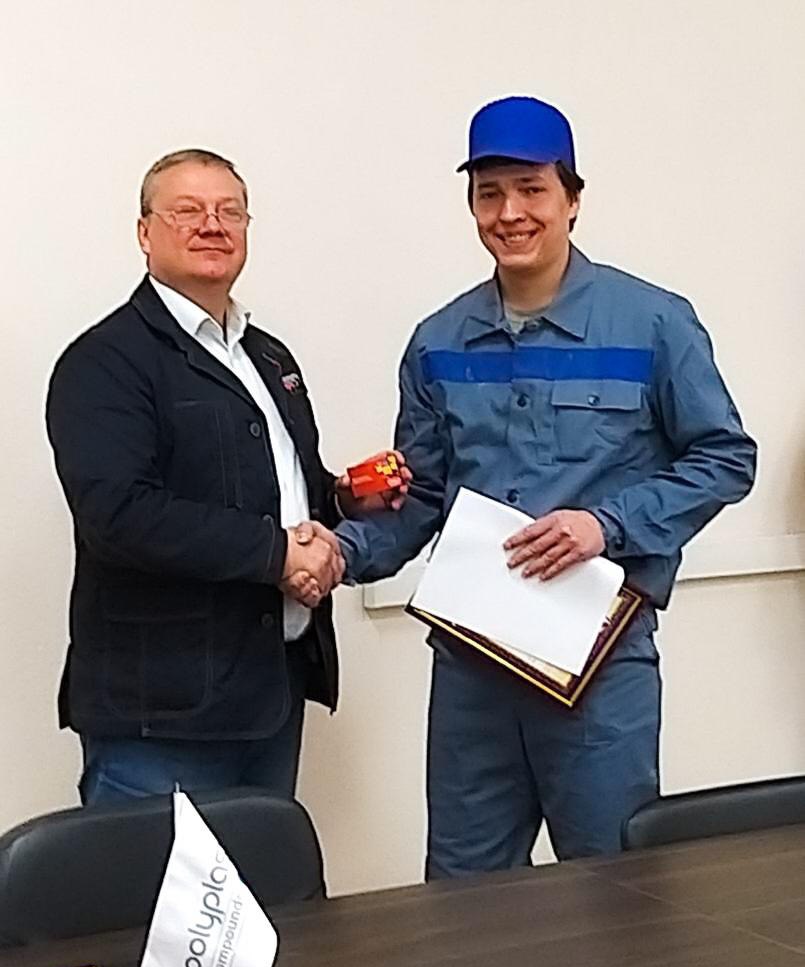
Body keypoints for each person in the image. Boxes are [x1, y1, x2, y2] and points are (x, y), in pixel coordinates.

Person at [334, 97, 757, 878]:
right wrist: (337, 551)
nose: (510, 213)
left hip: (597, 665)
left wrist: (605, 525)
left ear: (571, 198)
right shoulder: (437, 342)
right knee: (464, 892)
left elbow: (725, 457)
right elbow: (421, 497)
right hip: (471, 668)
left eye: (531, 189)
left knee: (612, 888)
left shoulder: (653, 324)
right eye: (488, 194)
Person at [46, 148, 408, 805]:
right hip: (160, 718)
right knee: (155, 878)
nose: (212, 225)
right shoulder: (104, 362)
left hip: (270, 696)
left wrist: (341, 499)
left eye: (229, 211)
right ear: (144, 232)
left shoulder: (268, 357)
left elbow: (273, 491)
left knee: (264, 873)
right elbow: (119, 516)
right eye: (187, 211)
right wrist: (280, 554)